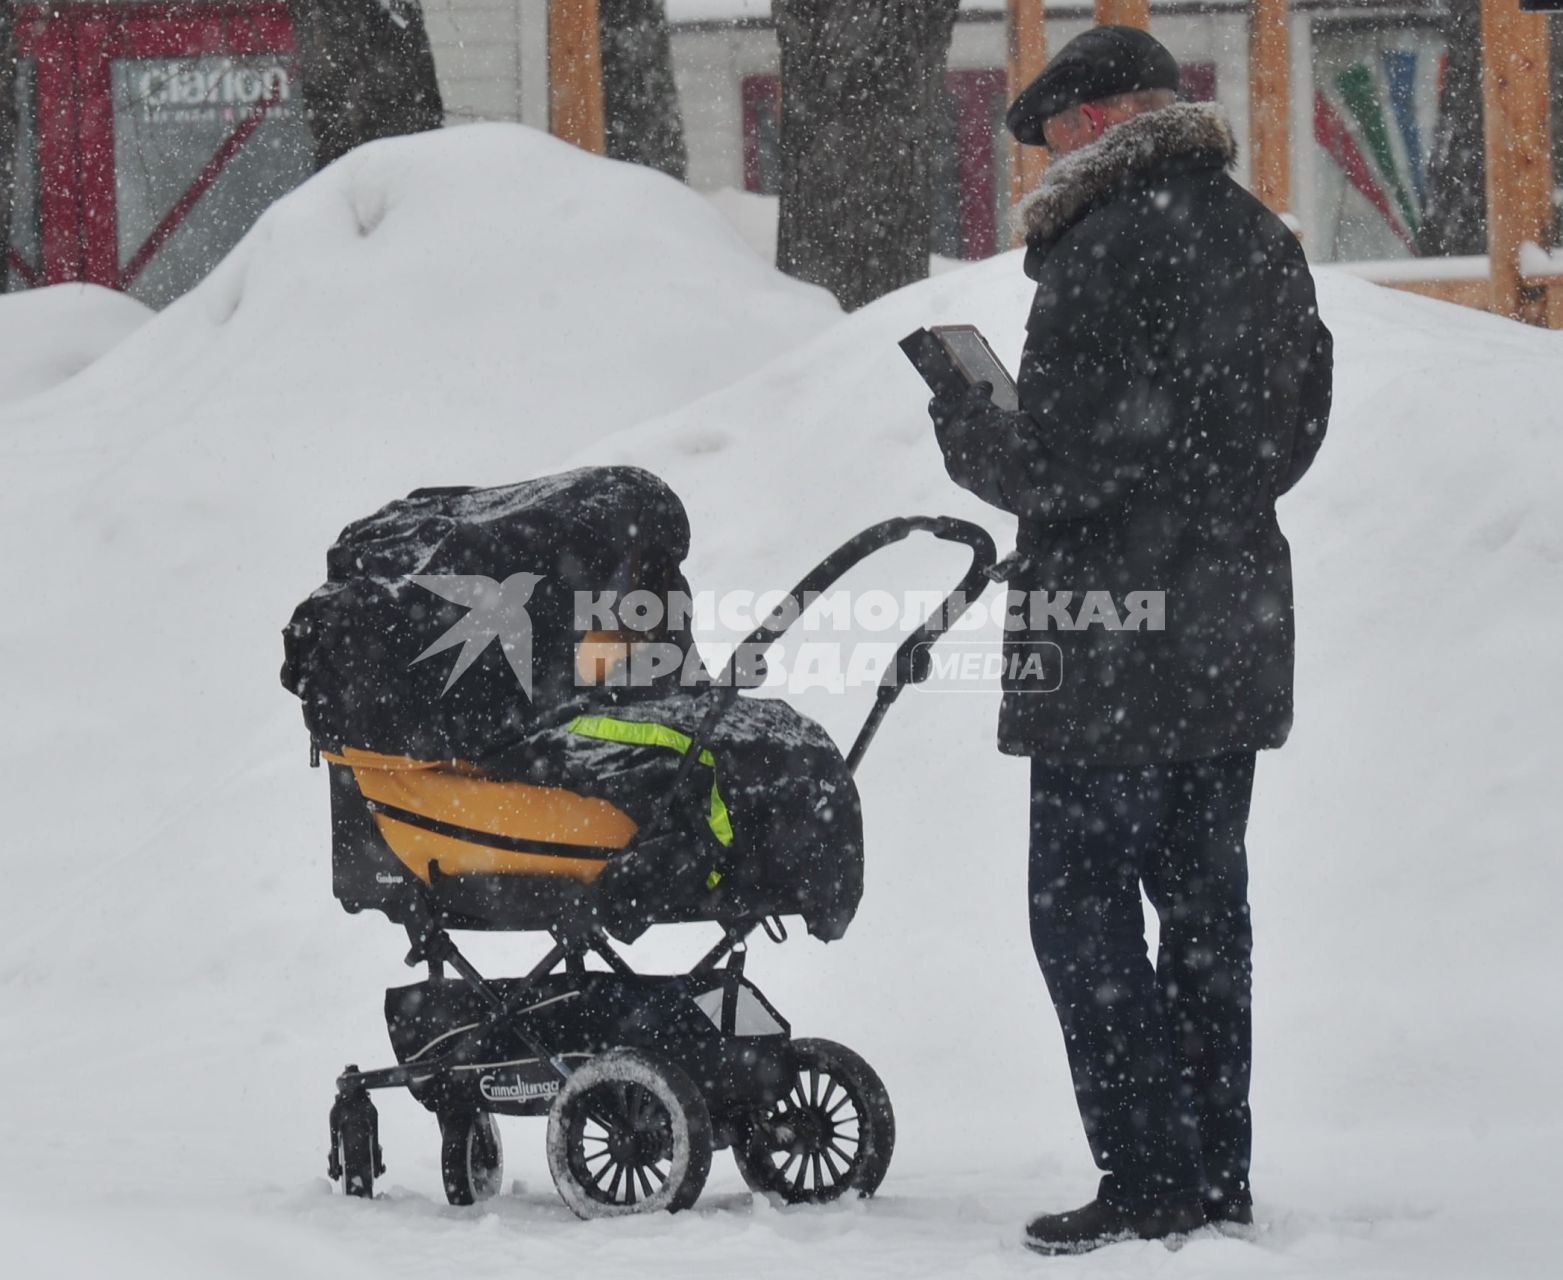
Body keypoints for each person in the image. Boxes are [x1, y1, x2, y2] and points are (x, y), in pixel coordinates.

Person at [928, 24, 1332, 1257]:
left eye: (1049, 140)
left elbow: (1061, 461)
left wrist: (967, 419)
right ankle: (1216, 1172)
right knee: (1207, 903)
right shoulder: (1264, 239)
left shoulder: (1103, 248)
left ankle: (1150, 1175)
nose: (1041, 166)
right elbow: (1294, 431)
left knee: (1083, 909)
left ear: (1098, 121)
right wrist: (1194, 492)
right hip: (1232, 624)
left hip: (1113, 641)